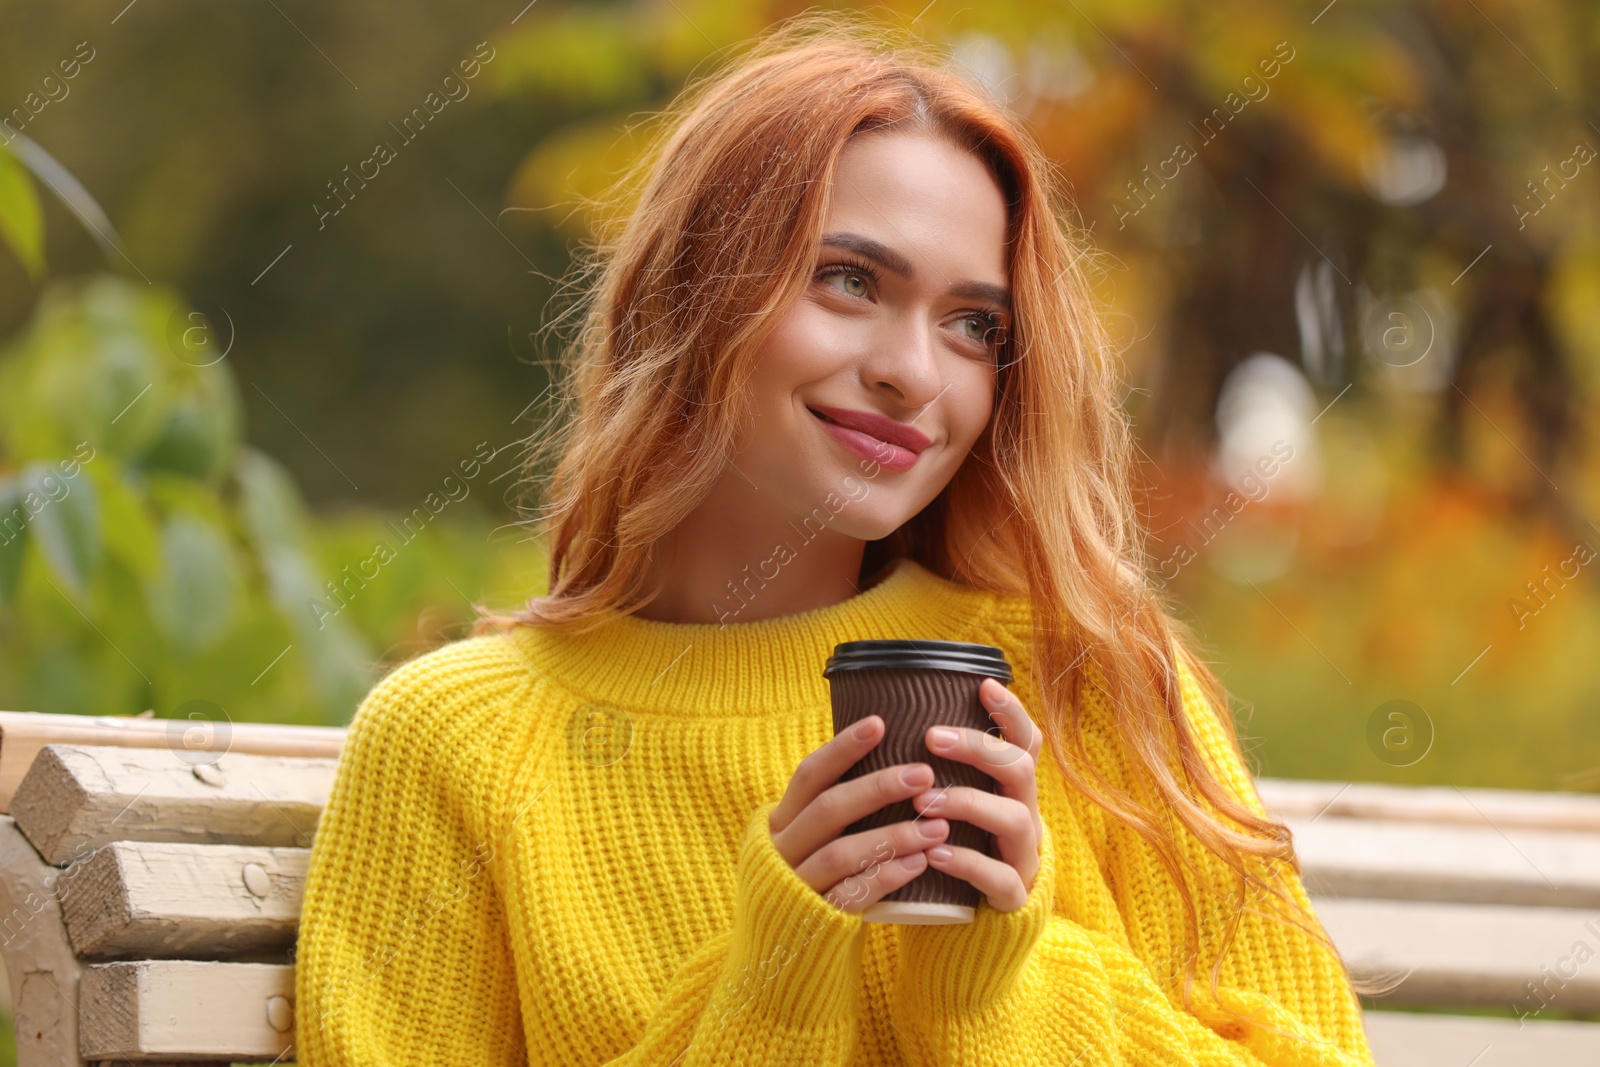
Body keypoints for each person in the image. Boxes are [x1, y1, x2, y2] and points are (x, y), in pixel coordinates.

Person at [295, 11, 1378, 1066]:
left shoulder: (1090, 671)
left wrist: (999, 979)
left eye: (973, 325)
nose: (914, 370)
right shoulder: (458, 745)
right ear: (691, 293)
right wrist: (770, 977)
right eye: (850, 280)